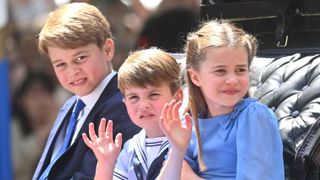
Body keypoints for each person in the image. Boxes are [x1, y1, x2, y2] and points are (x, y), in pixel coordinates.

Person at [157, 19, 285, 179]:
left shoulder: (253, 116)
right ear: (195, 77)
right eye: (220, 71)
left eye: (240, 70)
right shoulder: (190, 124)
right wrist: (177, 151)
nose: (232, 79)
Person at [32, 2, 141, 179]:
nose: (72, 71)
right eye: (60, 64)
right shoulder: (71, 105)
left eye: (80, 58)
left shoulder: (125, 106)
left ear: (107, 49)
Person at [82, 48, 183, 180]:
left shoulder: (191, 138)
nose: (143, 105)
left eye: (153, 95)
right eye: (134, 97)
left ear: (178, 97)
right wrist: (105, 163)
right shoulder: (131, 148)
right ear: (124, 103)